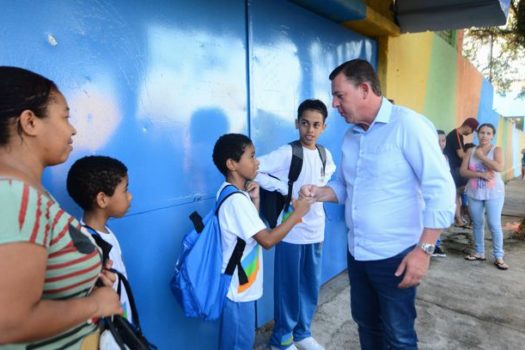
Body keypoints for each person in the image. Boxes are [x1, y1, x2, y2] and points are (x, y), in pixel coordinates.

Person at [299, 59, 455, 349]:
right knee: (366, 326)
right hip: (358, 253)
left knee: (398, 335)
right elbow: (347, 187)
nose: (334, 104)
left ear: (365, 90)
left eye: (339, 95)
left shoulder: (408, 125)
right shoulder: (351, 137)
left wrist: (424, 250)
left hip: (395, 257)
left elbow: (441, 188)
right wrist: (320, 192)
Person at [0, 66, 122, 348]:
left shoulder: (30, 193)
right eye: (65, 117)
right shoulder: (15, 195)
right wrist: (96, 304)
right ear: (29, 122)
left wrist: (88, 278)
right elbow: (9, 322)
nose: (73, 128)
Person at [212, 133, 312, 350]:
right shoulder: (236, 201)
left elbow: (249, 232)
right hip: (237, 292)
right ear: (232, 164)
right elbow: (266, 240)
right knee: (238, 344)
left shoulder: (233, 193)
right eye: (251, 156)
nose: (257, 162)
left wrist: (255, 200)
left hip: (240, 288)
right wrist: (297, 215)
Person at [256, 99, 336, 350]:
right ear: (296, 123)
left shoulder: (325, 154)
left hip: (316, 230)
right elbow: (255, 169)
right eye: (304, 123)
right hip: (291, 232)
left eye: (316, 125)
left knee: (310, 285)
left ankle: (302, 333)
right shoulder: (287, 152)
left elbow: (328, 176)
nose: (309, 130)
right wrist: (285, 188)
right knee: (288, 288)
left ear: (324, 127)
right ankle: (281, 339)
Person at [66, 155, 134, 322]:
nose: (130, 196)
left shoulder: (104, 232)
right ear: (102, 199)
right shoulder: (91, 246)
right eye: (125, 190)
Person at [460, 123, 508, 270]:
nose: (485, 136)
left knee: (494, 224)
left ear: (492, 135)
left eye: (488, 133)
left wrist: (482, 157)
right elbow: (463, 171)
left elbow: (499, 167)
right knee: (477, 223)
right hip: (475, 193)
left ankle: (499, 256)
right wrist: (480, 174)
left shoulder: (496, 149)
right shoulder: (470, 151)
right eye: (482, 132)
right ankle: (479, 252)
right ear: (477, 134)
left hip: (494, 193)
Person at [443, 118, 479, 227]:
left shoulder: (459, 136)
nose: (471, 133)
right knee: (461, 192)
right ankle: (460, 218)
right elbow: (461, 155)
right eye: (472, 130)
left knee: (458, 194)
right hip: (454, 169)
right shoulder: (456, 135)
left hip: (455, 169)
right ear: (468, 126)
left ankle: (459, 218)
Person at [433, 130, 449, 258]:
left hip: (440, 195)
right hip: (429, 195)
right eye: (438, 140)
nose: (441, 144)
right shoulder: (428, 156)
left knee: (438, 222)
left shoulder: (445, 158)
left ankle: (436, 245)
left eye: (443, 140)